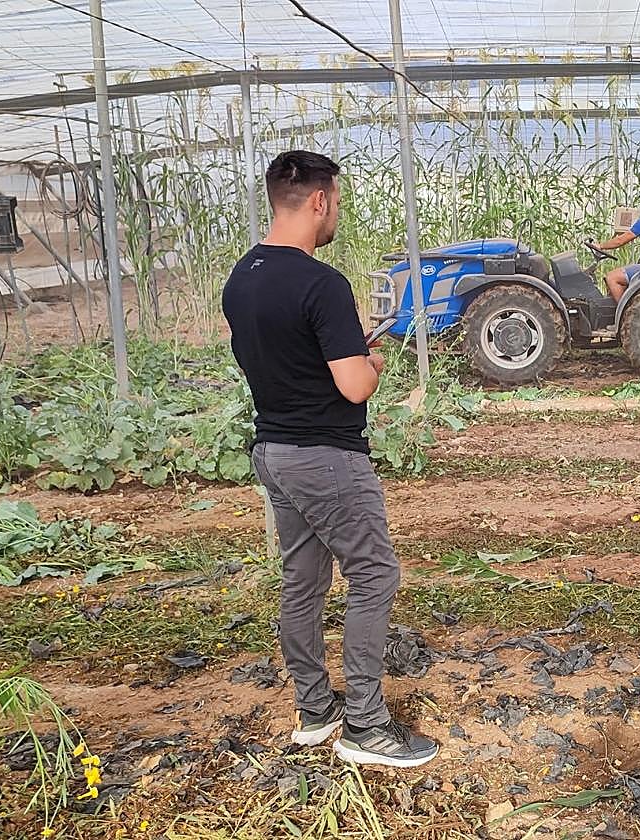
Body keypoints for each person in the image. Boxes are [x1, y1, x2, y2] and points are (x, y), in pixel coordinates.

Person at [222, 150, 438, 769]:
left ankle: (316, 711)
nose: (335, 212)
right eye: (336, 201)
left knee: (303, 579)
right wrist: (371, 359)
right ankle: (366, 728)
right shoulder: (322, 282)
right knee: (374, 575)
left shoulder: (243, 277)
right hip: (327, 457)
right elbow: (353, 387)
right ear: (319, 201)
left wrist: (338, 350)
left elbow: (283, 358)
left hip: (274, 449)